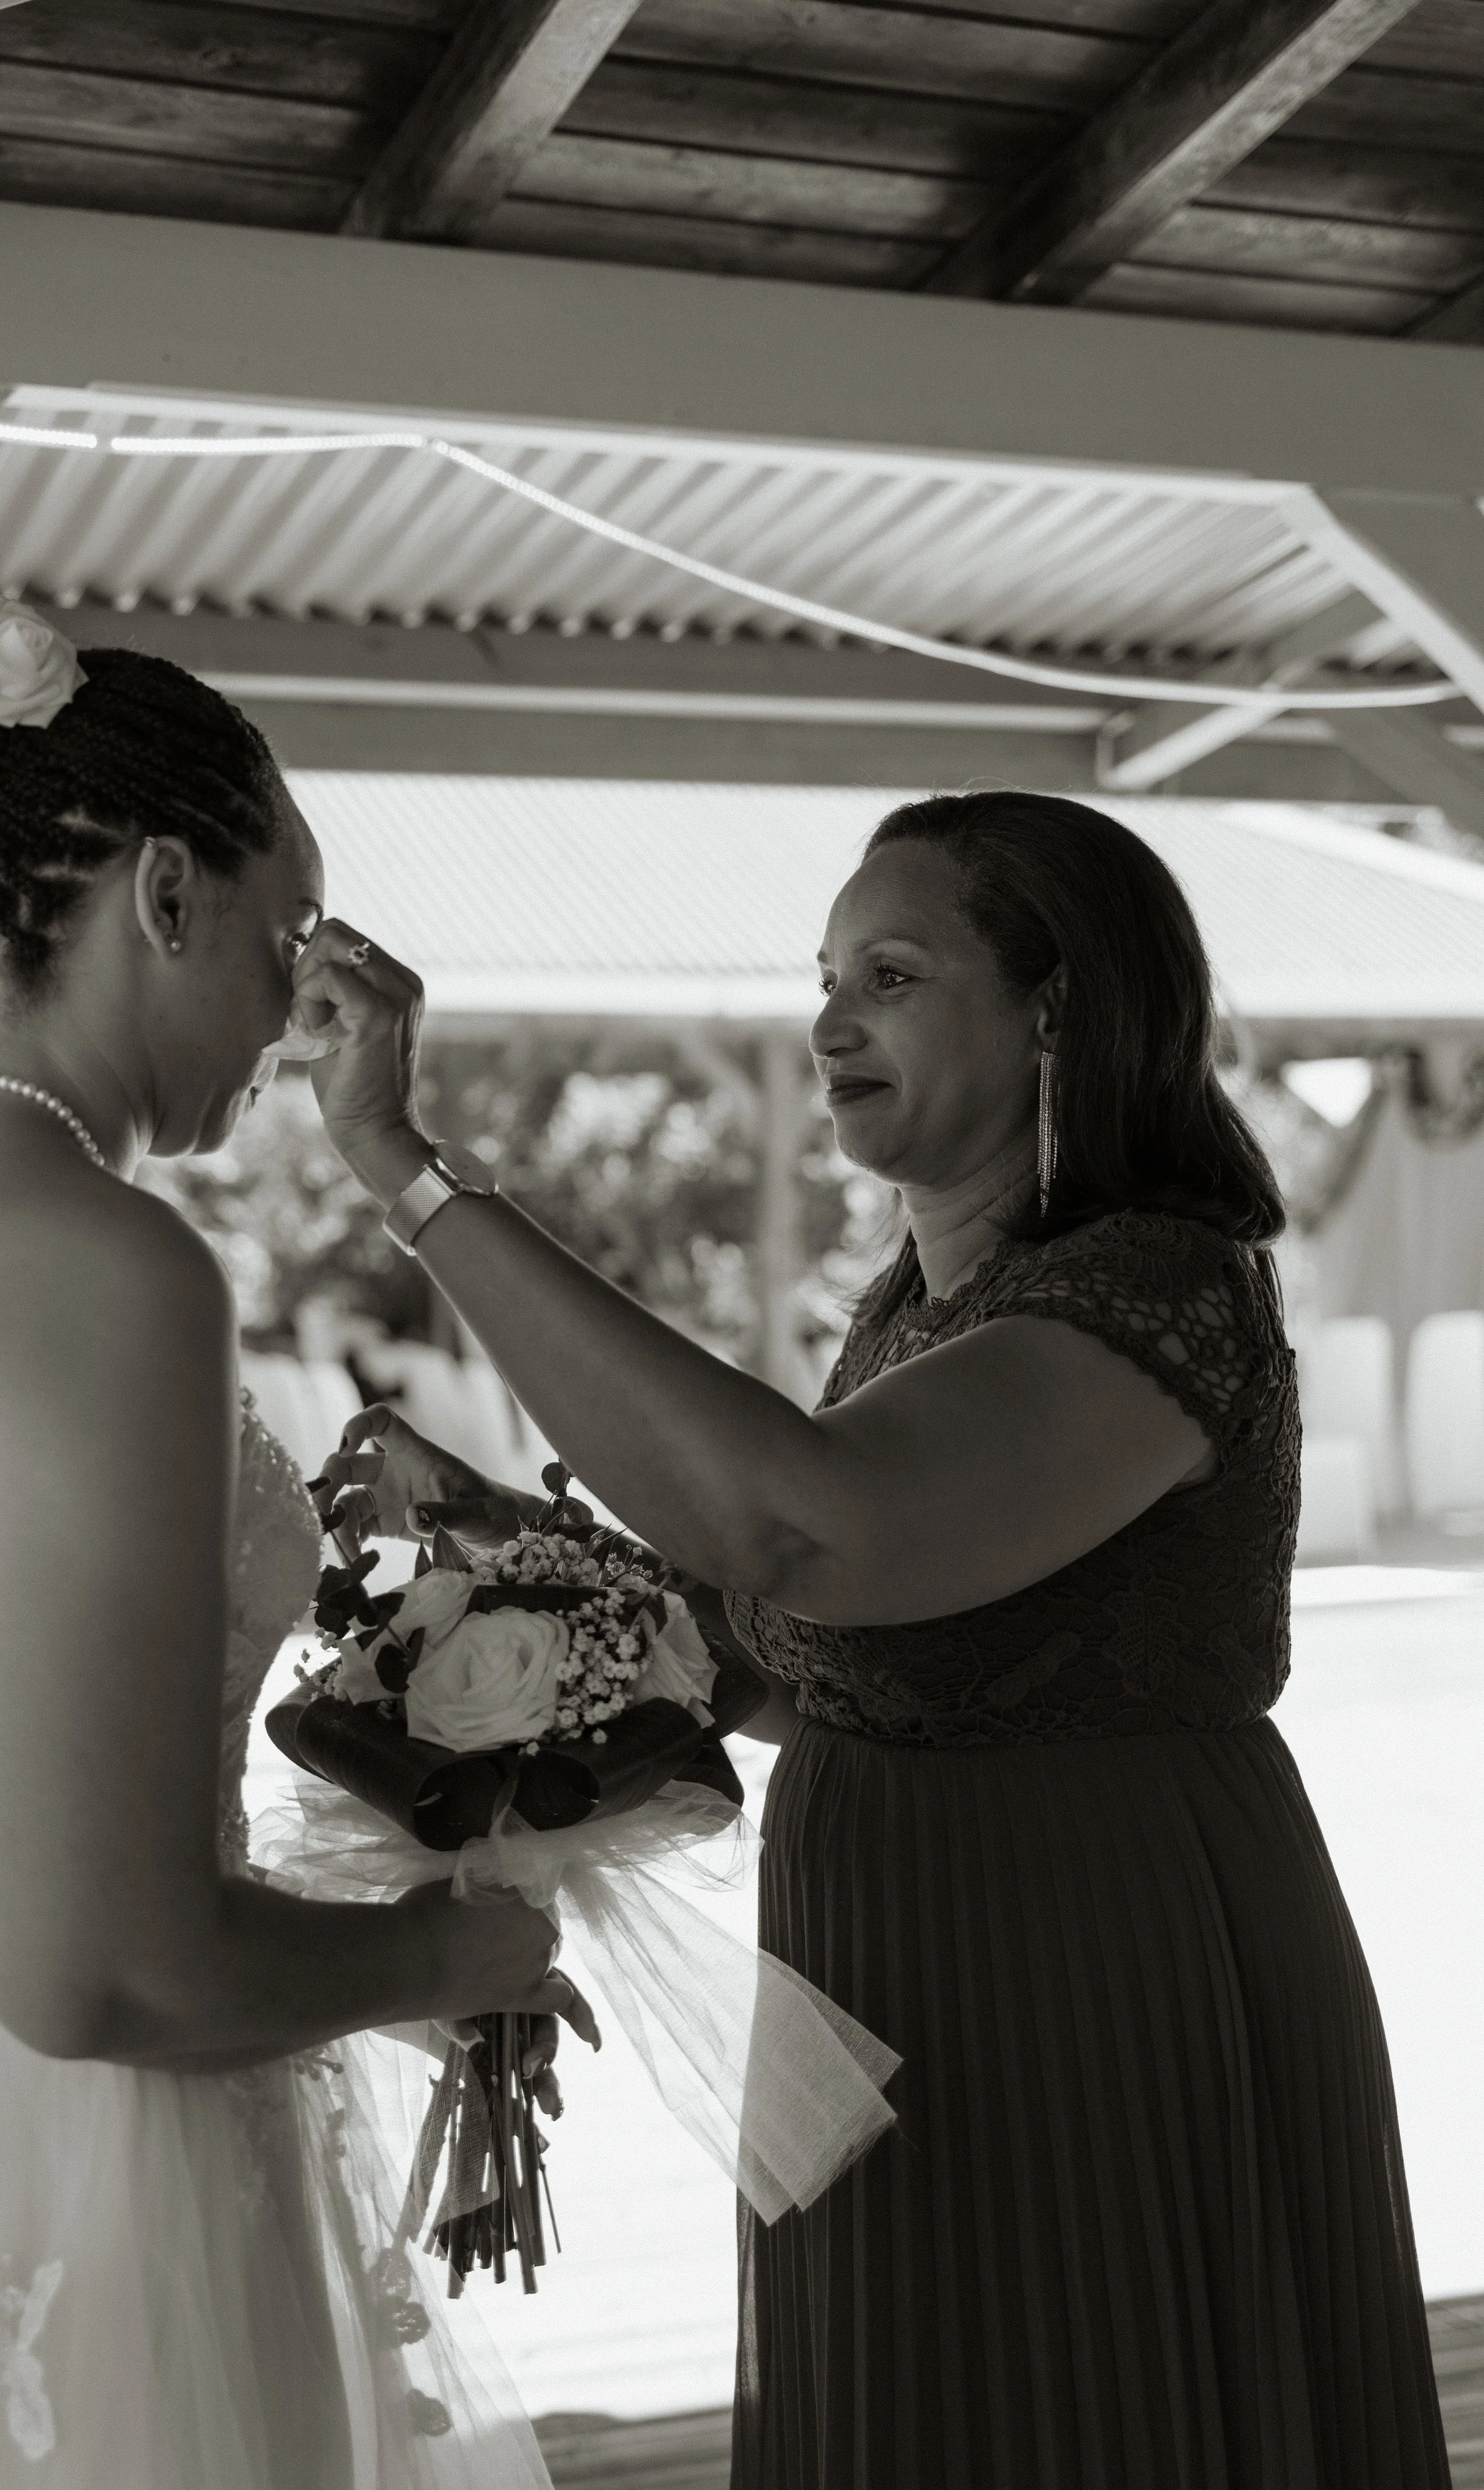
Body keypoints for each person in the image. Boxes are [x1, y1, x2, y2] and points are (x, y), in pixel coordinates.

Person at [297, 790, 1452, 2489]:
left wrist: (407, 1166)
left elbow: (797, 1524)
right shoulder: (913, 1321)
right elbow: (773, 1642)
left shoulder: (1156, 1290)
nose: (828, 1020)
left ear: (1054, 1005)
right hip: (878, 1991)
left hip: (1089, 1980)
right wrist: (503, 1569)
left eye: (890, 976)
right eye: (826, 975)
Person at [0, 537, 596, 2490]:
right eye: (291, 927)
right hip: (76, 2185)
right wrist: (456, 1957)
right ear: (164, 891)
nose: (306, 998)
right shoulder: (107, 1263)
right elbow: (97, 1959)